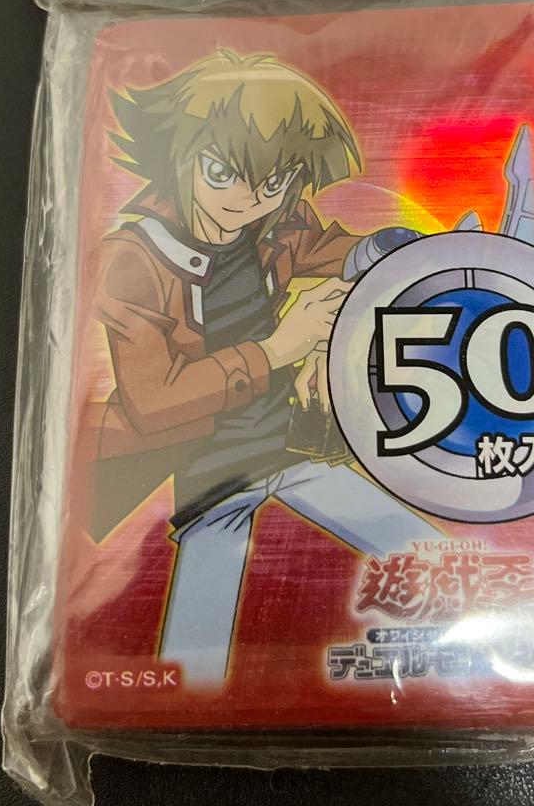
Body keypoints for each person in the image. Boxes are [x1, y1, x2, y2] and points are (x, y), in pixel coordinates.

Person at [91, 50, 436, 685]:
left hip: (287, 445)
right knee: (193, 663)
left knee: (430, 554)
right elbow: (151, 401)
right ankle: (182, 707)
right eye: (221, 173)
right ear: (180, 155)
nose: (245, 202)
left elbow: (317, 244)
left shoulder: (272, 219)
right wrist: (278, 349)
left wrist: (376, 248)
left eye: (273, 184)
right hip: (212, 476)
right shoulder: (133, 260)